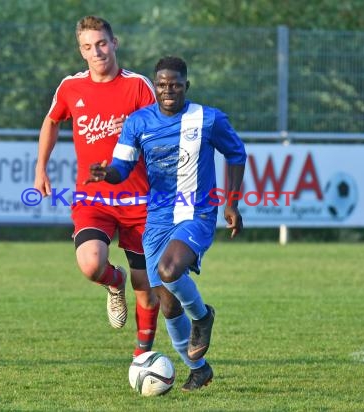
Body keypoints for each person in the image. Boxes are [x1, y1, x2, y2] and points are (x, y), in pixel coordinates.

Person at [86, 56, 246, 391]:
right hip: (157, 218)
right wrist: (107, 175)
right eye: (161, 84)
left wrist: (231, 203)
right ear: (155, 86)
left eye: (175, 84)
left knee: (171, 270)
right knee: (167, 301)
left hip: (197, 212)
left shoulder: (208, 118)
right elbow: (121, 167)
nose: (168, 90)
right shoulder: (138, 122)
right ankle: (198, 369)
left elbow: (236, 153)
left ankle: (203, 317)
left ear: (186, 85)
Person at [34, 16, 160, 358]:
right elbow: (51, 121)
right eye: (88, 47)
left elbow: (161, 132)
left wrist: (139, 132)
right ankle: (113, 283)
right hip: (94, 198)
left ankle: (142, 357)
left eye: (102, 43)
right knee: (91, 265)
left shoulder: (138, 86)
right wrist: (40, 167)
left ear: (114, 43)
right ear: (81, 50)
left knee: (145, 287)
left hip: (139, 199)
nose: (97, 52)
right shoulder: (71, 87)